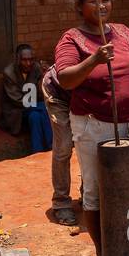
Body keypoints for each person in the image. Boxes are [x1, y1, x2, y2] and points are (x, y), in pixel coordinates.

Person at [54, 0, 129, 256]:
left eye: (105, 0)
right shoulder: (71, 39)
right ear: (80, 7)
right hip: (93, 125)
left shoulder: (124, 32)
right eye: (94, 1)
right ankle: (106, 255)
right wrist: (94, 60)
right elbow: (65, 79)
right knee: (97, 188)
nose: (101, 6)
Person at [41, 62, 78, 226]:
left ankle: (91, 196)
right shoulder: (73, 41)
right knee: (64, 146)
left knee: (90, 141)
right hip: (58, 93)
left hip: (82, 95)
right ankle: (61, 202)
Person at [0, 43, 52, 153]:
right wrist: (40, 104)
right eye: (24, 60)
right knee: (44, 107)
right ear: (17, 59)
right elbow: (17, 100)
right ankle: (52, 145)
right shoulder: (9, 73)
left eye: (31, 59)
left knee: (35, 117)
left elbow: (41, 94)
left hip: (32, 109)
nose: (28, 63)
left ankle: (38, 152)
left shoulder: (36, 68)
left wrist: (44, 77)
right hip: (16, 111)